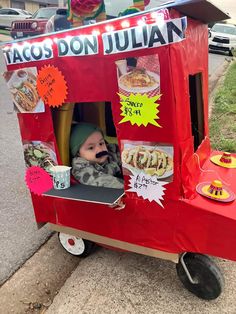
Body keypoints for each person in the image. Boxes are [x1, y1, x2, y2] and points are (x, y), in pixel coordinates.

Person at [70, 122, 124, 189]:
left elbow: (126, 157)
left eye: (101, 143)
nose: (100, 149)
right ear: (78, 153)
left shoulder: (111, 151)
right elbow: (103, 182)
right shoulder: (80, 167)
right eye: (91, 148)